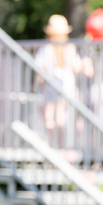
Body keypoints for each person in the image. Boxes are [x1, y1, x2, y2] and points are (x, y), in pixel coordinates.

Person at [35, 14, 92, 145]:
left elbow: (40, 69)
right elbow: (76, 67)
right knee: (54, 120)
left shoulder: (61, 48)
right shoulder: (50, 48)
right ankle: (58, 146)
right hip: (57, 88)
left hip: (60, 89)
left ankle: (57, 146)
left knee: (54, 120)